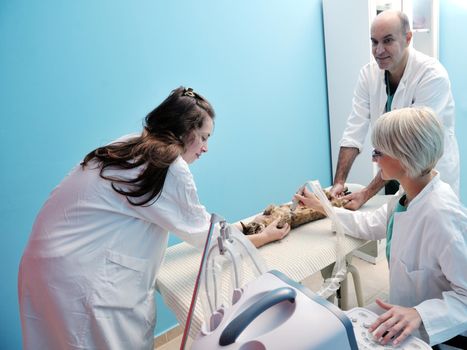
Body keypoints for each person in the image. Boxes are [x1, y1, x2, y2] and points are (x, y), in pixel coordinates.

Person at [18, 86, 290, 350]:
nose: (206, 148)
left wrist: (243, 226)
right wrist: (265, 236)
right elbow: (209, 239)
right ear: (185, 131)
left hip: (46, 268)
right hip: (80, 281)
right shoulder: (167, 165)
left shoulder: (128, 145)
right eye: (204, 137)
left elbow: (196, 225)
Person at [295, 107, 467, 348]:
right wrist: (323, 208)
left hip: (430, 332)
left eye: (378, 152)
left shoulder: (442, 215)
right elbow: (370, 224)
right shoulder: (405, 196)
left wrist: (420, 314)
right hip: (400, 316)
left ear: (405, 157)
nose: (373, 159)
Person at [331, 10, 460, 210]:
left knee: (429, 231)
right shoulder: (368, 75)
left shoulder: (431, 76)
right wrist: (339, 182)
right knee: (395, 228)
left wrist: (366, 193)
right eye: (374, 42)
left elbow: (409, 144)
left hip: (428, 178)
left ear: (408, 38)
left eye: (388, 41)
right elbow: (353, 130)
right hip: (393, 169)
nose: (379, 50)